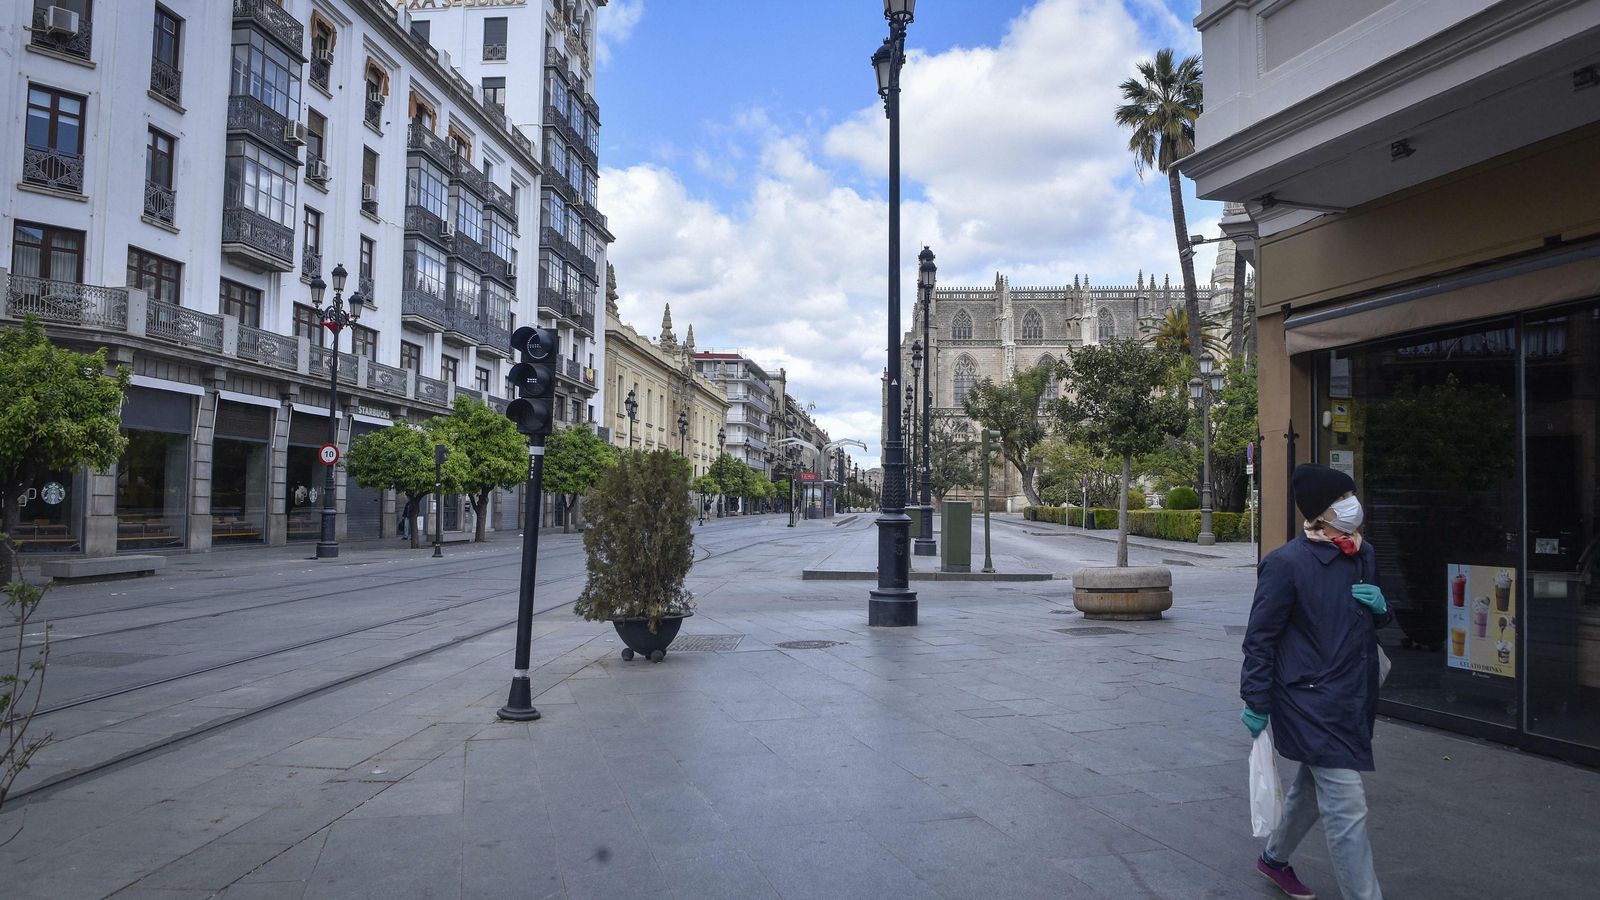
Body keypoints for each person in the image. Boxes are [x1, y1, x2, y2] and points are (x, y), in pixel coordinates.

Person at [1241, 464, 1390, 900]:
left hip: (1352, 693)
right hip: (1307, 699)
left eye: (1351, 495)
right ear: (1319, 513)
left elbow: (1372, 621)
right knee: (1348, 806)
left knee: (1311, 786)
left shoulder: (1364, 554)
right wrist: (1255, 700)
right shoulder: (1286, 564)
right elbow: (1260, 638)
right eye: (1341, 499)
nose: (1351, 505)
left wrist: (1382, 608)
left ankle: (1274, 858)